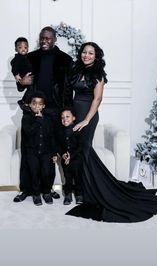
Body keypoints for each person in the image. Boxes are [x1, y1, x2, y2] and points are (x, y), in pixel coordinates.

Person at [65, 42, 157, 222]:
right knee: (79, 152)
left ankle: (97, 191)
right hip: (75, 115)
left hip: (89, 115)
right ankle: (84, 189)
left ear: (96, 56)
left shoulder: (98, 74)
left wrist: (86, 120)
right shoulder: (76, 70)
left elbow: (98, 99)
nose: (86, 55)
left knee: (85, 150)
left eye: (90, 53)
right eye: (84, 52)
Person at [13, 26, 73, 203]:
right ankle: (27, 189)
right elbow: (21, 83)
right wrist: (22, 81)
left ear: (54, 39)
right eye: (42, 38)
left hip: (53, 112)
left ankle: (47, 188)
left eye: (48, 38)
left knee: (49, 151)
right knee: (28, 149)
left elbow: (68, 88)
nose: (44, 41)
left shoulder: (65, 59)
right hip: (32, 109)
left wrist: (66, 111)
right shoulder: (30, 57)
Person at [21, 91, 57, 205]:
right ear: (30, 105)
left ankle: (46, 192)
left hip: (46, 152)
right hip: (32, 152)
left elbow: (51, 136)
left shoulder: (48, 119)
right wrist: (38, 120)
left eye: (40, 104)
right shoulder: (26, 118)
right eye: (34, 103)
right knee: (34, 172)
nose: (37, 106)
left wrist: (54, 153)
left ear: (43, 106)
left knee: (46, 172)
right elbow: (28, 132)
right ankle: (36, 194)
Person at [57, 108, 83, 205]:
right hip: (65, 160)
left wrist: (70, 156)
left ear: (74, 118)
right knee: (67, 177)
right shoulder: (60, 131)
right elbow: (59, 145)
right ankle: (68, 194)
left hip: (76, 159)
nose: (65, 119)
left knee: (77, 177)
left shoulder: (78, 130)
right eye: (62, 117)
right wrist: (63, 154)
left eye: (67, 116)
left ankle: (79, 194)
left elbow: (80, 146)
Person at [10, 37, 33, 105]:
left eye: (25, 47)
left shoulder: (29, 57)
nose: (23, 49)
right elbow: (13, 67)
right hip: (20, 78)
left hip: (28, 77)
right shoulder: (16, 58)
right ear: (16, 49)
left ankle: (25, 101)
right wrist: (16, 75)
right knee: (30, 88)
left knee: (31, 89)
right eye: (20, 47)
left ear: (27, 49)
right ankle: (24, 101)